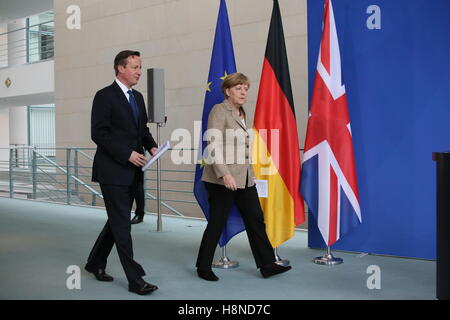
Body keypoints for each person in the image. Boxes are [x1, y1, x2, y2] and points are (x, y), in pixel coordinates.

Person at [196, 72, 292, 281]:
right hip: (223, 180)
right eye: (239, 88)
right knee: (217, 222)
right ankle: (203, 267)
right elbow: (213, 145)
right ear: (228, 90)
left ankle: (267, 264)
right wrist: (225, 174)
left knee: (256, 219)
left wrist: (252, 174)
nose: (244, 92)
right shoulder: (219, 110)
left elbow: (244, 148)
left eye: (246, 88)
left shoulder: (242, 112)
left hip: (245, 178)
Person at [85, 50, 158, 295]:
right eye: (135, 67)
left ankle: (95, 262)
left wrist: (152, 146)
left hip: (133, 171)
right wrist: (126, 153)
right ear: (120, 68)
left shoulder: (137, 97)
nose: (139, 72)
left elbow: (142, 130)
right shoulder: (104, 96)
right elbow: (99, 133)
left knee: (117, 221)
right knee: (122, 225)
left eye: (140, 67)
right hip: (113, 171)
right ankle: (135, 279)